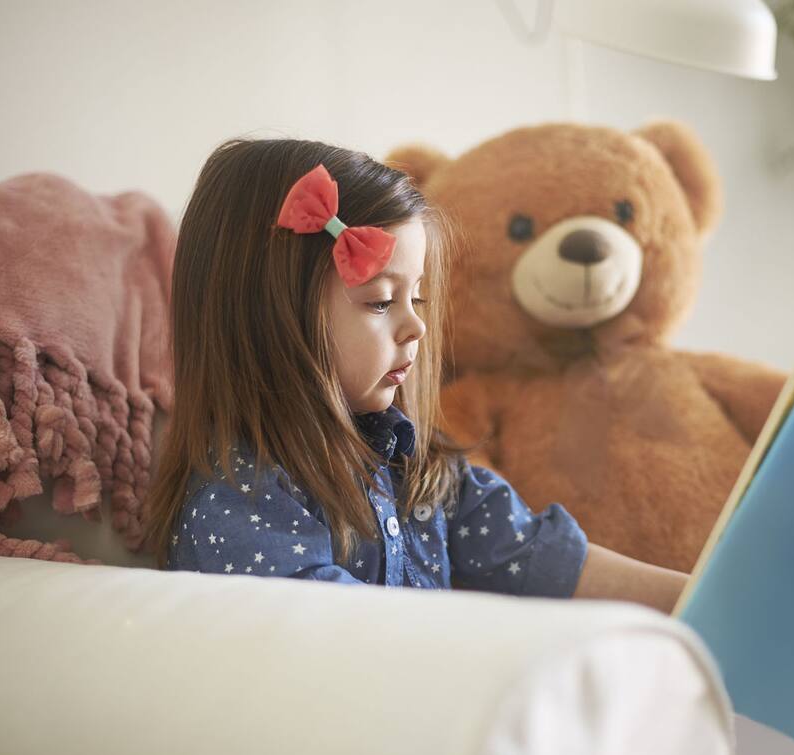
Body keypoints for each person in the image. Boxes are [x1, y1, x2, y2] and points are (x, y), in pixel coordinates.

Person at [144, 137, 690, 616]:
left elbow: (545, 559)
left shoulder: (419, 471)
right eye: (381, 302)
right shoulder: (242, 493)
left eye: (418, 297)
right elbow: (333, 639)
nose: (416, 327)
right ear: (267, 316)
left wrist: (699, 600)